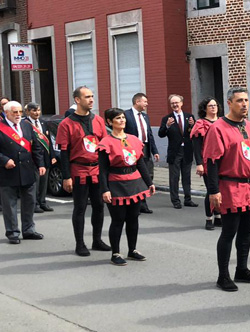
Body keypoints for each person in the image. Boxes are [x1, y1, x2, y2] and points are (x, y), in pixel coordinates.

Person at [204, 87, 250, 292]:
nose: (244, 104)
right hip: (229, 186)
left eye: (246, 100)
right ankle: (223, 275)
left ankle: (242, 269)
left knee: (246, 231)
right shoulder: (218, 128)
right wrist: (213, 190)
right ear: (229, 103)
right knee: (229, 232)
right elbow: (212, 162)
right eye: (239, 101)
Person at [99, 108, 156, 265]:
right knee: (118, 220)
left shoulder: (133, 139)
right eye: (118, 118)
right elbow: (102, 170)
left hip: (135, 182)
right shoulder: (106, 143)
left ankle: (132, 250)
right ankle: (115, 253)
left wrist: (149, 183)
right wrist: (105, 189)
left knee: (133, 219)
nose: (122, 120)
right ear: (110, 122)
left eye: (123, 117)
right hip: (116, 183)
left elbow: (140, 163)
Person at [59, 86, 110, 257]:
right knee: (80, 207)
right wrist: (66, 177)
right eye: (87, 96)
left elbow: (104, 146)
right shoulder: (66, 124)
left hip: (97, 168)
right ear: (77, 100)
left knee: (99, 206)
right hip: (78, 169)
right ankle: (80, 243)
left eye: (92, 96)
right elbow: (64, 152)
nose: (91, 100)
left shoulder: (98, 121)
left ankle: (97, 239)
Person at [0, 101, 46, 244]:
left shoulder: (26, 125)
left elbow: (36, 147)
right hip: (8, 171)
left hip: (27, 169)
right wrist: (4, 160)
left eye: (20, 112)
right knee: (10, 204)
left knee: (29, 202)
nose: (18, 115)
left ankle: (29, 229)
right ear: (6, 113)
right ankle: (12, 232)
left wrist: (41, 164)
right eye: (14, 112)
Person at [124, 93, 160, 214]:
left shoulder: (145, 117)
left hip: (145, 149)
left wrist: (154, 151)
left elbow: (150, 135)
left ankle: (143, 204)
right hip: (131, 150)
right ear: (137, 102)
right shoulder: (126, 115)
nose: (147, 104)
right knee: (134, 176)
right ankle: (134, 204)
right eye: (145, 101)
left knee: (147, 176)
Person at [159, 94, 196, 209]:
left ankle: (188, 199)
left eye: (177, 102)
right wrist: (167, 126)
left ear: (181, 103)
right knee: (174, 177)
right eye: (172, 103)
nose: (175, 105)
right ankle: (175, 200)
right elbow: (161, 134)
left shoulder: (189, 116)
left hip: (187, 150)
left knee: (187, 176)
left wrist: (193, 125)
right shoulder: (167, 118)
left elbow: (194, 133)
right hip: (175, 151)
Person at [191, 97, 220, 230]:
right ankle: (209, 218)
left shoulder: (221, 122)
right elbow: (197, 146)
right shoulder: (200, 124)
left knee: (221, 190)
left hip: (222, 161)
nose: (213, 107)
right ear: (205, 109)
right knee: (211, 190)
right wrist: (199, 163)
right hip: (207, 162)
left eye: (215, 105)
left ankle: (218, 217)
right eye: (210, 106)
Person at [25, 102, 57, 212]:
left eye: (38, 110)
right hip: (33, 157)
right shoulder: (25, 124)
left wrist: (52, 155)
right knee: (36, 182)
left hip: (46, 156)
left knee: (44, 182)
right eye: (34, 110)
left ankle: (42, 202)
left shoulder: (43, 123)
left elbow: (49, 141)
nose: (37, 113)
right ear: (28, 112)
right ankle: (34, 204)